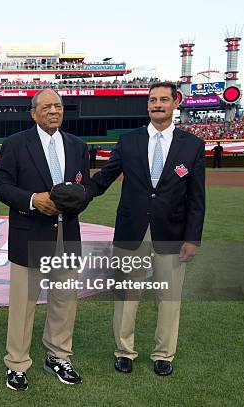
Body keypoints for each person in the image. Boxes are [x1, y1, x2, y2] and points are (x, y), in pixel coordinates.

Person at [88, 82, 205, 377]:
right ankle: (124, 351)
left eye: (164, 99)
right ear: (148, 105)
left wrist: (192, 238)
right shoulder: (129, 141)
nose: (157, 104)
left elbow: (196, 198)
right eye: (153, 100)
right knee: (128, 295)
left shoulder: (192, 145)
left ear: (174, 104)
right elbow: (104, 177)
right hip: (132, 231)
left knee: (169, 298)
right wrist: (77, 193)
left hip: (172, 234)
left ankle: (163, 354)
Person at [0, 89, 90, 391]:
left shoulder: (77, 146)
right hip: (30, 233)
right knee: (24, 304)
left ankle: (59, 355)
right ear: (33, 113)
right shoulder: (15, 144)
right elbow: (0, 184)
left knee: (64, 301)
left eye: (58, 106)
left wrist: (76, 200)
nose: (53, 111)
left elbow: (83, 188)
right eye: (46, 106)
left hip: (66, 235)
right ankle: (17, 364)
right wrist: (33, 199)